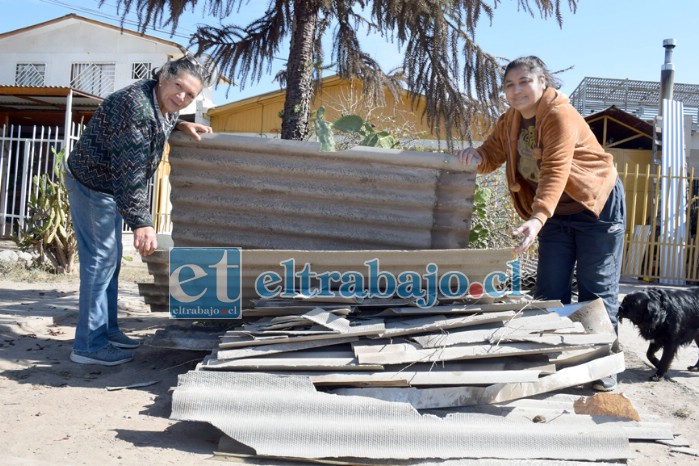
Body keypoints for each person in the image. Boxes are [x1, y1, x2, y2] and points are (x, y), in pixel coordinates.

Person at [456, 56, 626, 391]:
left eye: (524, 82)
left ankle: (603, 369)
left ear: (542, 82)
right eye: (509, 85)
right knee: (550, 291)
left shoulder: (559, 114)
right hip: (555, 213)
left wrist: (536, 218)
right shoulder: (511, 120)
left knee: (596, 289)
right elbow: (490, 154)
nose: (516, 90)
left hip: (596, 207)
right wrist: (474, 157)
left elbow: (556, 170)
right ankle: (555, 361)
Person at [65, 54, 213, 366]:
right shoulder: (134, 107)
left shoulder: (158, 101)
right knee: (100, 261)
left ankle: (107, 331)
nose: (182, 97)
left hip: (108, 185)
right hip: (94, 184)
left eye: (190, 95)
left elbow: (161, 117)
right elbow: (128, 173)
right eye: (179, 87)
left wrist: (180, 123)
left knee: (111, 261)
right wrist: (142, 222)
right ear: (163, 77)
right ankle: (88, 346)